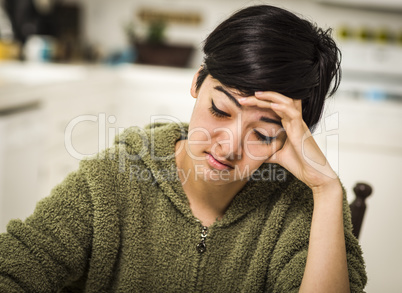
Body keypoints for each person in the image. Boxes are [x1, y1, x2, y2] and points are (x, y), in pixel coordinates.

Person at [0, 5, 366, 293]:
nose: (229, 147)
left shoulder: (300, 208)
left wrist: (326, 188)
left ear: (290, 136)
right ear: (197, 81)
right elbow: (17, 267)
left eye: (265, 134)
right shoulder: (115, 177)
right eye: (220, 110)